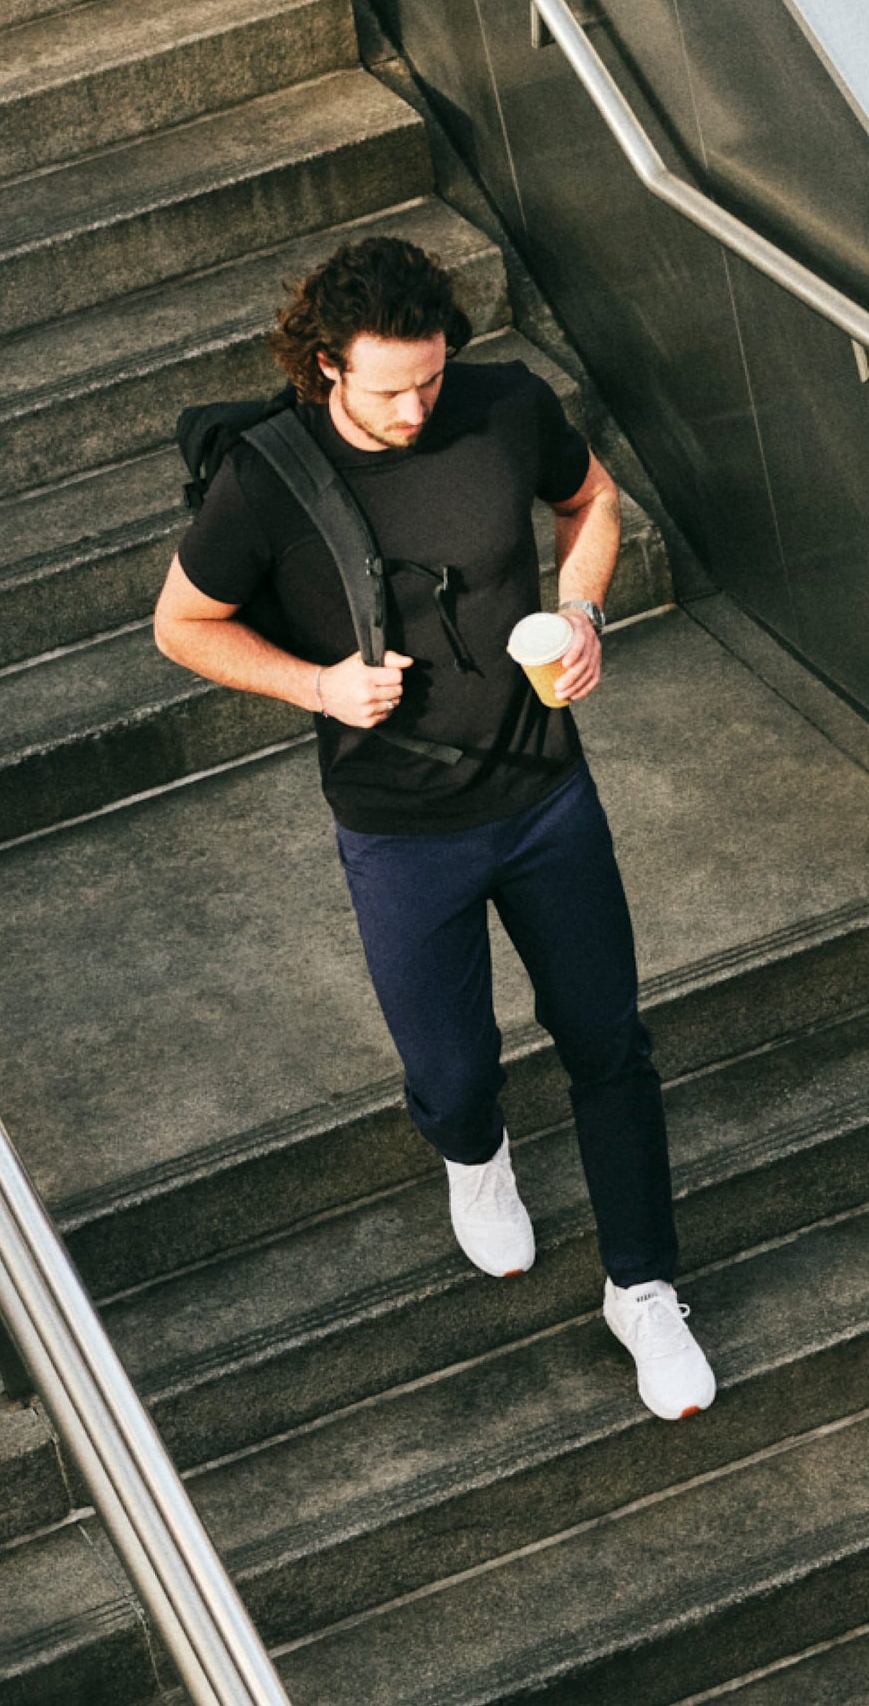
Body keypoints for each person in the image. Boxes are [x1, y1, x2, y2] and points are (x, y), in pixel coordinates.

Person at [150, 237, 712, 1421]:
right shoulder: (267, 480)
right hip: (401, 827)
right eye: (391, 387)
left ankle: (645, 1290)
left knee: (609, 1042)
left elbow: (593, 499)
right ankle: (474, 1155)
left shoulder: (504, 406)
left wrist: (585, 610)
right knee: (452, 1074)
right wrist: (316, 689)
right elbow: (183, 625)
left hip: (546, 794)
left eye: (433, 379)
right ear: (324, 367)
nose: (418, 408)